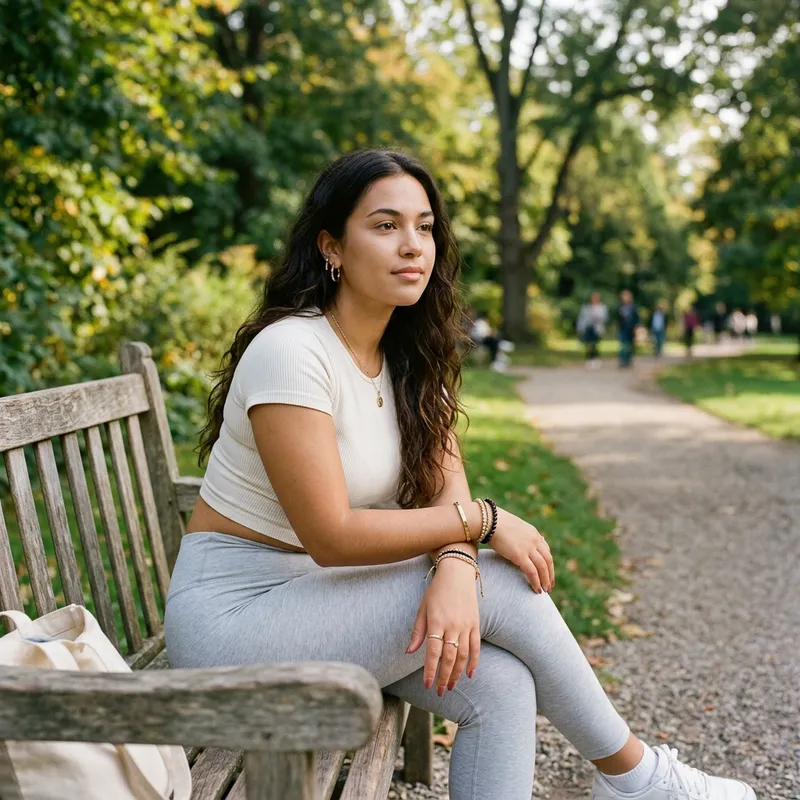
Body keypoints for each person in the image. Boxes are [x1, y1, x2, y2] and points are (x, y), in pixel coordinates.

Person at [163, 149, 757, 800]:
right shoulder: (291, 352)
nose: (411, 245)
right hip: (236, 628)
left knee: (501, 685)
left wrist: (454, 562)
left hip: (323, 602)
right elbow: (330, 532)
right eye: (385, 226)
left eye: (424, 227)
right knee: (501, 580)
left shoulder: (407, 352)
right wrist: (482, 527)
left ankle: (633, 779)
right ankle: (636, 776)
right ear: (331, 246)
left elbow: (446, 481)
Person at [576, 292, 608, 368]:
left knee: (595, 344)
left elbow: (604, 318)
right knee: (588, 344)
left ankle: (595, 359)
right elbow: (582, 319)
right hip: (588, 328)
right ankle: (589, 359)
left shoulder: (602, 307)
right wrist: (580, 328)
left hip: (597, 329)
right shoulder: (586, 307)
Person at [616, 290, 639, 368]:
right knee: (623, 345)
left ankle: (628, 360)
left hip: (631, 330)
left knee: (630, 345)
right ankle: (623, 360)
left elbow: (636, 319)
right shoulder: (620, 307)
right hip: (623, 329)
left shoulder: (633, 307)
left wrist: (636, 328)